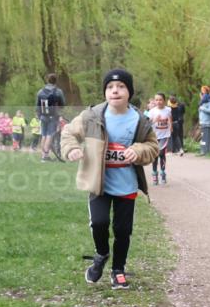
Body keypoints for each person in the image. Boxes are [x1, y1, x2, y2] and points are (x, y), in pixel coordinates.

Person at [60, 69, 158, 290]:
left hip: (127, 184)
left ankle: (118, 270)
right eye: (110, 87)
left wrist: (138, 150)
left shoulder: (140, 120)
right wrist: (72, 149)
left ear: (129, 92)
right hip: (99, 182)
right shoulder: (92, 116)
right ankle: (102, 254)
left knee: (123, 230)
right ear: (105, 92)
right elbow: (68, 133)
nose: (115, 91)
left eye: (121, 86)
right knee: (100, 223)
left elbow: (153, 146)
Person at [36, 73, 66, 162]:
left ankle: (43, 155)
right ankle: (45, 156)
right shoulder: (58, 91)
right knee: (49, 136)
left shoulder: (40, 91)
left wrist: (38, 115)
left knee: (44, 135)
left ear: (47, 80)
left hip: (43, 116)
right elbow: (62, 104)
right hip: (53, 116)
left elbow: (37, 105)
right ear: (55, 81)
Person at [146, 92, 173, 185]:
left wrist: (170, 126)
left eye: (160, 100)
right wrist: (155, 120)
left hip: (164, 135)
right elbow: (147, 124)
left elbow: (169, 118)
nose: (158, 102)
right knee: (155, 155)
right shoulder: (152, 111)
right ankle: (154, 174)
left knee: (161, 154)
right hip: (154, 136)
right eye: (156, 100)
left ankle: (163, 172)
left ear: (164, 101)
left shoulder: (168, 110)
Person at [198, 86, 210, 155]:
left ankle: (206, 151)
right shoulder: (203, 103)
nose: (202, 96)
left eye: (203, 94)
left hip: (207, 122)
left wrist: (202, 108)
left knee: (205, 137)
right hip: (202, 122)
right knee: (202, 137)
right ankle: (203, 150)